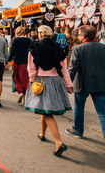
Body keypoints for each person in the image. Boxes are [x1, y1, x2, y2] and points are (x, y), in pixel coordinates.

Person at [25, 25, 73, 157]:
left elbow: (31, 68)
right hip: (56, 81)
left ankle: (58, 142)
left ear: (40, 34)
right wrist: (68, 85)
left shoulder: (34, 48)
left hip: (41, 81)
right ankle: (42, 133)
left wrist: (32, 80)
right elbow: (64, 69)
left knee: (47, 113)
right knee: (44, 109)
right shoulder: (59, 48)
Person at [66, 25, 105, 139]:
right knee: (103, 113)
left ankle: (78, 130)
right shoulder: (103, 48)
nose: (78, 37)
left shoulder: (78, 49)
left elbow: (72, 69)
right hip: (101, 84)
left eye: (78, 35)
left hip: (82, 84)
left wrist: (68, 84)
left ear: (83, 36)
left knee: (79, 108)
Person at [8, 27, 31, 105]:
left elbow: (12, 52)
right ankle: (25, 96)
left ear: (17, 33)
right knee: (26, 79)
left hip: (18, 62)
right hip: (27, 62)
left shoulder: (15, 40)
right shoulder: (29, 40)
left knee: (18, 79)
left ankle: (24, 96)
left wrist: (8, 61)